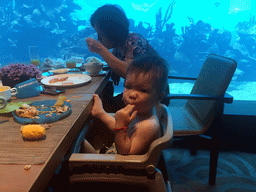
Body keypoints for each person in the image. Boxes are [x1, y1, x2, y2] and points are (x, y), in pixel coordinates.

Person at [85, 4, 165, 113]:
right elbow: (114, 65)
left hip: (151, 97)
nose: (99, 38)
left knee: (96, 109)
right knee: (101, 102)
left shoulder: (134, 41)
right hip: (137, 93)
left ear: (112, 31)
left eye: (100, 34)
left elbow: (130, 72)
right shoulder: (119, 47)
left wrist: (100, 49)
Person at [84, 54, 169, 155]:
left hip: (123, 166)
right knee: (85, 133)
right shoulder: (142, 112)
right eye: (128, 86)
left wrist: (120, 126)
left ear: (158, 97)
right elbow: (127, 131)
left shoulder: (149, 126)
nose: (132, 94)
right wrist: (100, 113)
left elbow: (125, 154)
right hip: (116, 150)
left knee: (74, 140)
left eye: (143, 90)